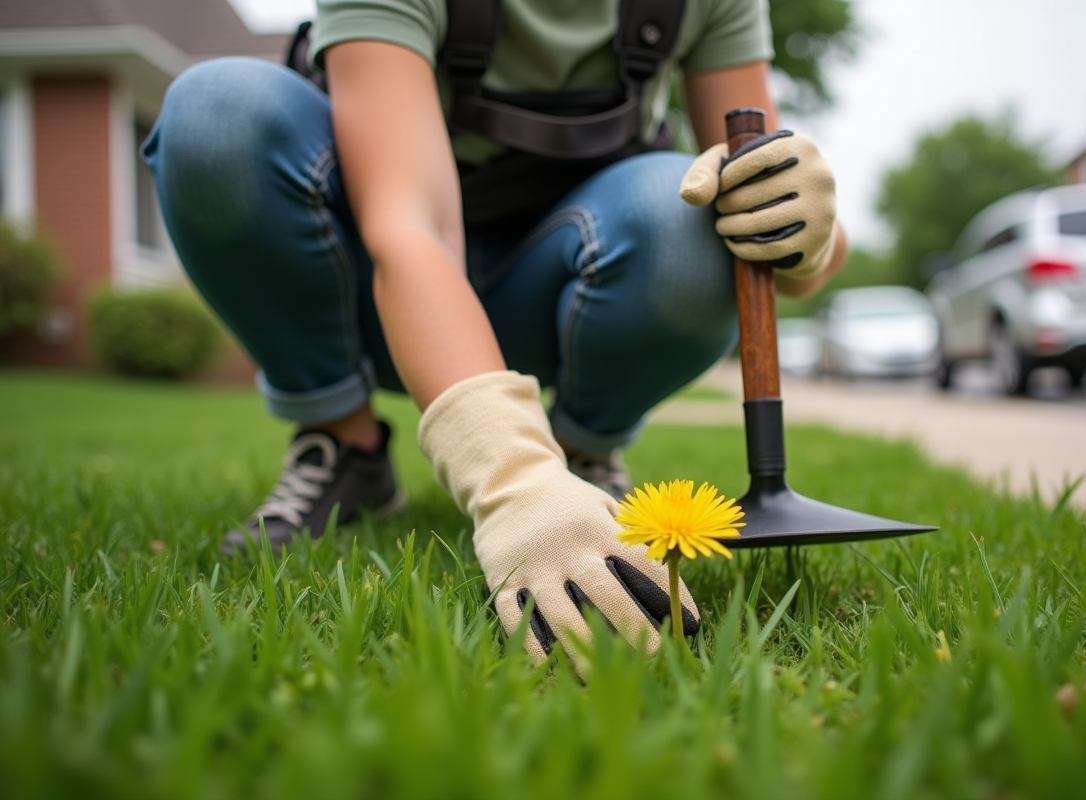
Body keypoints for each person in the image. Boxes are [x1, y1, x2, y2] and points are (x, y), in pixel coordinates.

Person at [142, 0, 846, 665]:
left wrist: (809, 235)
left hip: (560, 286)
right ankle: (344, 447)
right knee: (217, 113)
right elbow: (409, 224)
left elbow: (763, 216)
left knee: (686, 215)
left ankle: (580, 456)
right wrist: (511, 474)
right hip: (369, 291)